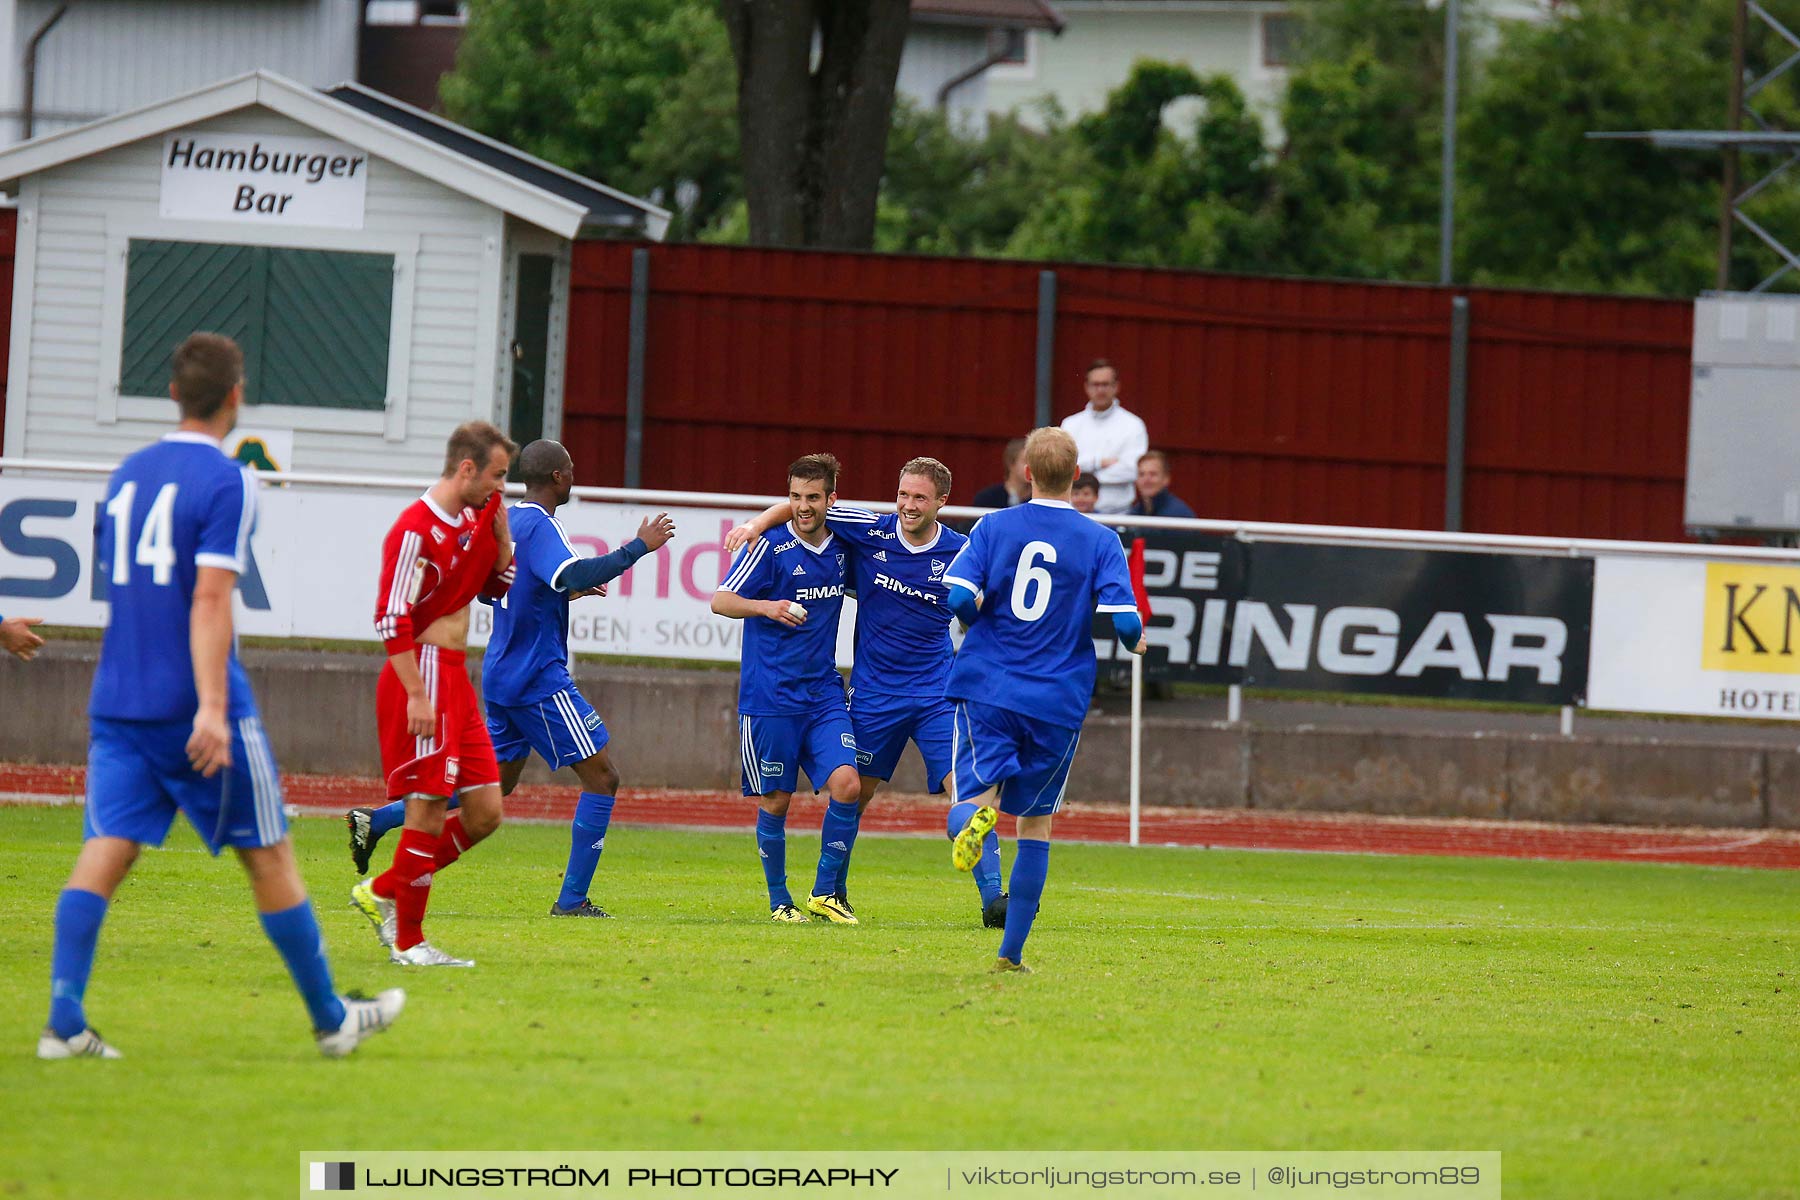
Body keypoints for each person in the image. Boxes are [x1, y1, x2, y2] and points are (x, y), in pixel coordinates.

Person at [40, 332, 402, 1060]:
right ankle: (333, 1020)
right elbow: (208, 599)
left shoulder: (128, 475)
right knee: (269, 856)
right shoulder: (230, 482)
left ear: (173, 392)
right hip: (196, 704)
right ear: (236, 396)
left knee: (105, 850)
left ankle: (63, 1021)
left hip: (118, 697)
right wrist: (210, 707)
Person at [345, 441, 675, 919]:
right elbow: (575, 569)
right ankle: (572, 901)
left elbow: (485, 591)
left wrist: (558, 592)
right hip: (536, 677)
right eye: (572, 469)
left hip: (501, 672)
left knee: (495, 786)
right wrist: (639, 546)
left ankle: (377, 821)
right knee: (604, 778)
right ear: (560, 477)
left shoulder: (506, 521)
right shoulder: (541, 525)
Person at [724, 458, 1005, 928]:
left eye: (919, 497)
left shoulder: (961, 552)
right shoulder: (872, 531)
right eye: (903, 494)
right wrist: (755, 523)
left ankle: (995, 899)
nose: (908, 506)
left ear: (942, 502)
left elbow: (985, 610)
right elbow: (804, 508)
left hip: (937, 693)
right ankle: (830, 890)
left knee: (966, 789)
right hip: (874, 695)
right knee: (857, 790)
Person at [943, 426, 1146, 973]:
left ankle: (971, 821)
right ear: (1076, 477)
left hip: (989, 684)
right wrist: (1137, 641)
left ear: (1026, 472)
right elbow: (1124, 620)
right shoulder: (1101, 540)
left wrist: (974, 623)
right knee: (1036, 823)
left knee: (973, 793)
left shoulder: (992, 525)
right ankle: (1010, 955)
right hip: (1056, 697)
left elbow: (959, 594)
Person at [351, 422, 517, 968]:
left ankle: (381, 891)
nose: (501, 488)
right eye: (496, 476)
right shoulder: (414, 530)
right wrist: (416, 695)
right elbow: (390, 618)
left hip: (455, 677)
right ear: (466, 468)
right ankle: (409, 941)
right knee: (424, 811)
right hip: (421, 676)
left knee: (486, 812)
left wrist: (503, 533)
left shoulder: (476, 517)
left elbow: (497, 585)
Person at [710, 453, 862, 924]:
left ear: (830, 500)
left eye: (812, 498)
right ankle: (779, 901)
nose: (802, 506)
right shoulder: (768, 547)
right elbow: (720, 601)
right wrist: (768, 608)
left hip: (822, 692)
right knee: (777, 800)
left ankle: (824, 893)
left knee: (847, 784)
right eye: (795, 496)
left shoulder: (842, 547)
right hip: (771, 696)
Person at [1060, 359, 1148, 515]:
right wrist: (1098, 462)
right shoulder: (1070, 424)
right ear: (1086, 387)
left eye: (1105, 384)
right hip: (1075, 514)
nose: (1100, 390)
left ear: (1116, 387)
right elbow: (1064, 466)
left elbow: (1131, 469)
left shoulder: (1133, 425)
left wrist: (1083, 475)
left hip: (1118, 515)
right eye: (1095, 384)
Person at [1128, 450, 1196, 519]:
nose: (1146, 480)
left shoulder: (1179, 515)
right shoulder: (1136, 511)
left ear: (1166, 479)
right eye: (1141, 474)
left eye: (1153, 474)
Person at [970, 438, 1029, 511]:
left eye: (1033, 462)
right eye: (1025, 461)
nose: (1031, 466)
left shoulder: (1039, 500)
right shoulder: (988, 499)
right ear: (1011, 464)